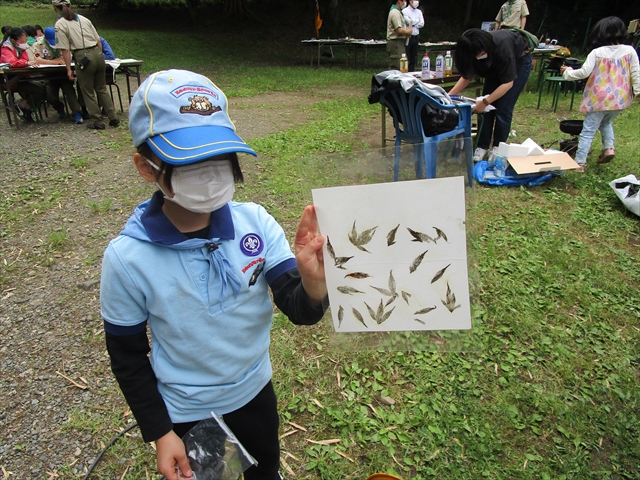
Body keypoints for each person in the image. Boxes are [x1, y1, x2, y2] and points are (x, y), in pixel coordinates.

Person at [100, 69, 328, 480]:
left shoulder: (255, 224)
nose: (209, 173)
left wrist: (312, 283)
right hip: (188, 410)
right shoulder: (127, 259)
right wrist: (160, 432)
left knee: (264, 467)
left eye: (220, 158)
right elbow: (128, 357)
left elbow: (300, 309)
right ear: (146, 166)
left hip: (254, 391)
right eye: (187, 160)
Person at [560, 16, 640, 171]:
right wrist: (638, 92)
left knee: (588, 131)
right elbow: (636, 73)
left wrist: (568, 72)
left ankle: (579, 163)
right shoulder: (630, 51)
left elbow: (584, 72)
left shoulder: (597, 53)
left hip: (599, 99)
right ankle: (609, 148)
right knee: (606, 122)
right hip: (620, 99)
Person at [449, 28, 532, 162]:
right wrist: (448, 95)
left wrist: (486, 101)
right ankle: (482, 146)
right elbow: (467, 76)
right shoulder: (473, 48)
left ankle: (498, 148)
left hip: (518, 62)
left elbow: (508, 83)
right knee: (486, 111)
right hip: (493, 66)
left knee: (503, 108)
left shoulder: (503, 47)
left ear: (484, 48)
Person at [52, 0, 119, 130]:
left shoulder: (60, 24)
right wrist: (99, 55)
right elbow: (98, 40)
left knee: (87, 91)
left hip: (82, 56)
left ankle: (97, 121)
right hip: (98, 53)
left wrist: (68, 69)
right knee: (101, 88)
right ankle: (113, 117)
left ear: (55, 8)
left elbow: (65, 50)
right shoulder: (84, 19)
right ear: (70, 5)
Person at [26, 26, 84, 123]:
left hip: (63, 74)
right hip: (49, 75)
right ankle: (59, 107)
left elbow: (67, 57)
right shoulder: (38, 45)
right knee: (51, 97)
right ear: (46, 38)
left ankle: (77, 113)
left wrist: (55, 61)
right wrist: (54, 61)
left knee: (70, 93)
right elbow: (37, 59)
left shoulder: (63, 42)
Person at [0, 27, 44, 123]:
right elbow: (12, 62)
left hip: (22, 77)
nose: (25, 42)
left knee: (42, 86)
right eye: (22, 41)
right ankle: (24, 106)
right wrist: (26, 63)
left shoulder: (20, 47)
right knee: (39, 89)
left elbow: (26, 58)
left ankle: (24, 106)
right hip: (11, 80)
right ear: (13, 40)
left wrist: (26, 61)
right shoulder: (5, 49)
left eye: (25, 40)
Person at [386, 0, 412, 70]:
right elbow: (399, 30)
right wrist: (408, 32)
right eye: (404, 1)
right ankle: (392, 81)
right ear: (399, 1)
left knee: (402, 66)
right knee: (397, 66)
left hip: (399, 42)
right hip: (395, 42)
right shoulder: (395, 13)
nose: (405, 3)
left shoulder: (398, 12)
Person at [402, 0, 424, 72]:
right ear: (410, 1)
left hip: (416, 37)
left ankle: (412, 73)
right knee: (406, 56)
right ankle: (405, 72)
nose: (416, 1)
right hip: (408, 37)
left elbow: (422, 23)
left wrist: (413, 23)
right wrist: (417, 21)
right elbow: (409, 22)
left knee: (413, 58)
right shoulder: (405, 11)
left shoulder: (419, 12)